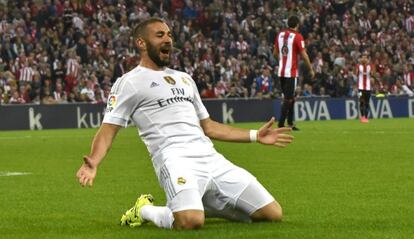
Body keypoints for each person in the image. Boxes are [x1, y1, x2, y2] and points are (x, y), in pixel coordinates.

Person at [76, 17, 294, 230]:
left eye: (169, 35)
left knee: (272, 214)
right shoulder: (129, 83)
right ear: (141, 43)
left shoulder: (184, 79)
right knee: (190, 222)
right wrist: (93, 161)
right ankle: (144, 210)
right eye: (159, 35)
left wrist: (256, 135)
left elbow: (209, 127)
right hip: (175, 160)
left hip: (211, 158)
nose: (168, 39)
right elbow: (108, 129)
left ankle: (195, 204)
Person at [274, 15, 315, 131]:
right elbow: (304, 54)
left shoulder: (280, 34)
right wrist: (311, 68)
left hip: (281, 72)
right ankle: (281, 124)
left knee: (290, 97)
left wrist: (282, 61)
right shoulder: (298, 37)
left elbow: (275, 53)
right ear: (297, 24)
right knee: (288, 98)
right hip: (291, 73)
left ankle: (290, 123)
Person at [354, 52, 375, 123]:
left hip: (368, 88)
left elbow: (372, 74)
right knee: (361, 102)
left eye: (365, 57)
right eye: (363, 57)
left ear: (367, 59)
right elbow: (356, 74)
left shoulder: (370, 66)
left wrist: (368, 66)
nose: (364, 59)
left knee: (367, 102)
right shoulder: (358, 66)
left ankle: (366, 117)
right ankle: (362, 117)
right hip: (360, 88)